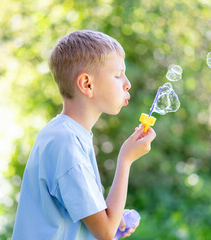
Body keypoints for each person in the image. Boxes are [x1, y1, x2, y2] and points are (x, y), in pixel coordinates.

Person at [12, 30, 156, 240]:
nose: (127, 83)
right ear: (87, 84)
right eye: (118, 75)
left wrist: (114, 218)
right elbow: (105, 232)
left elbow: (88, 217)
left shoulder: (64, 134)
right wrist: (125, 159)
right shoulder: (66, 144)